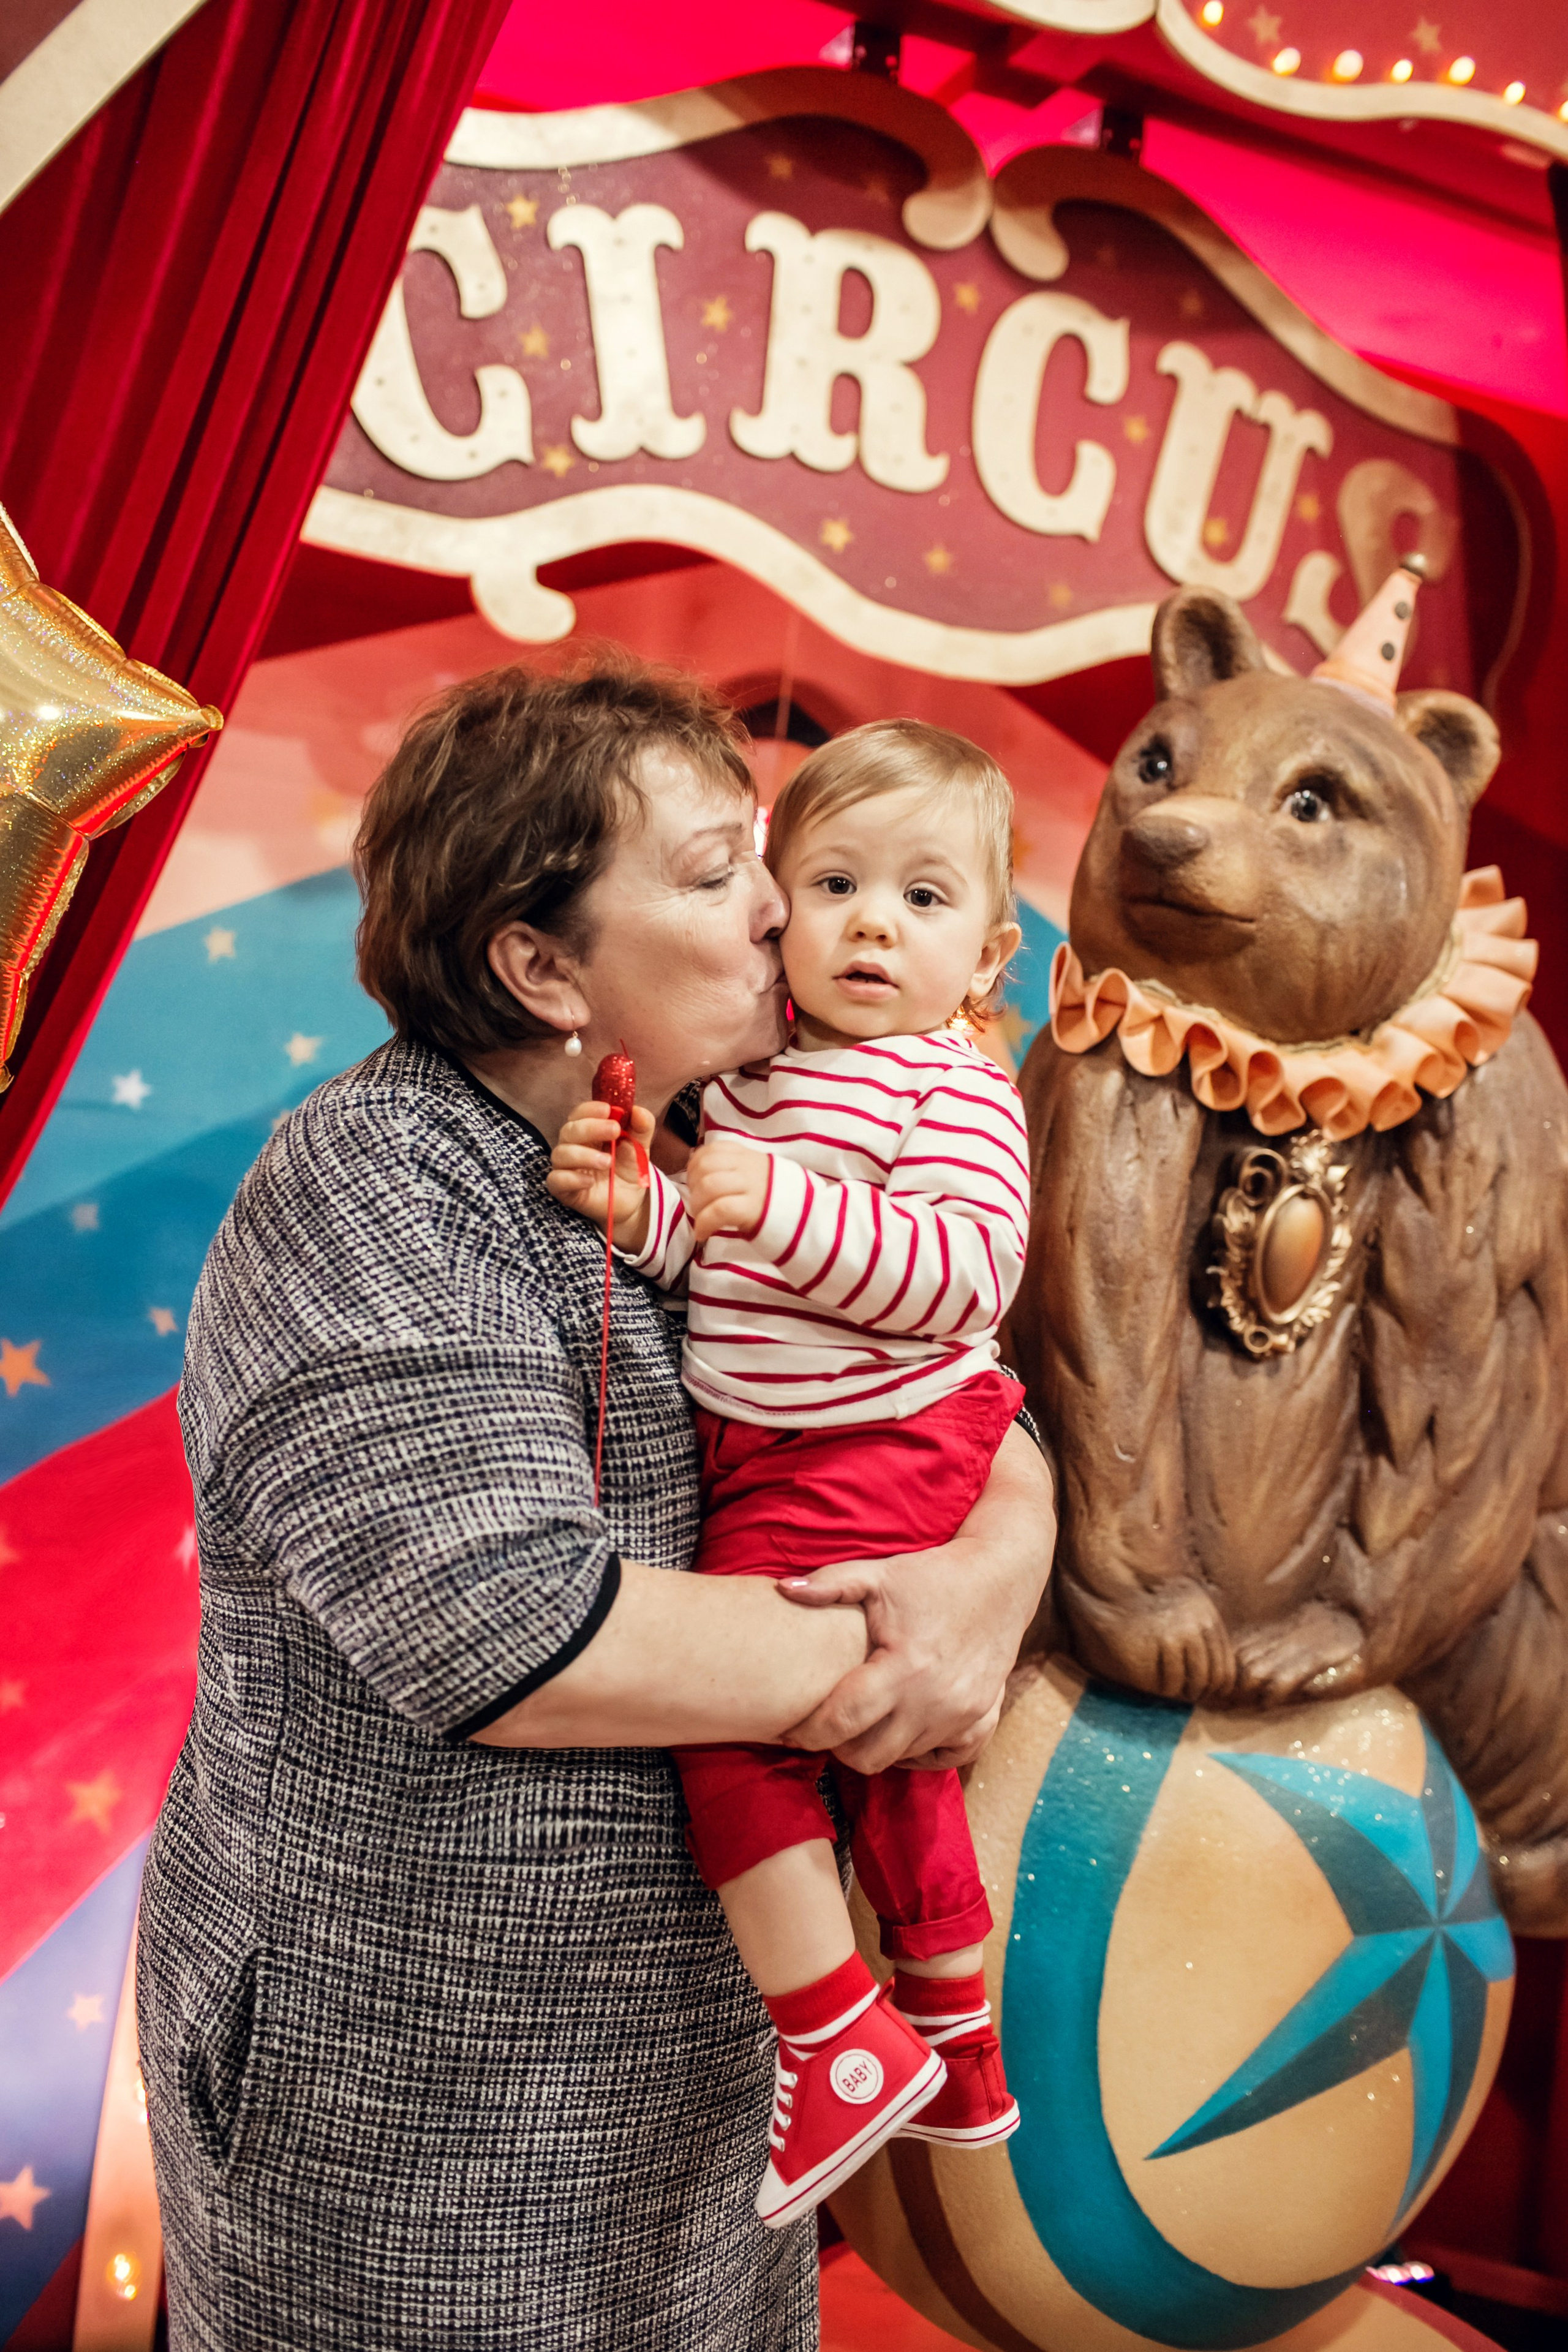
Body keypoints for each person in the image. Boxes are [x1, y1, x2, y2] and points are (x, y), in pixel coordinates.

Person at [136, 657, 1055, 2352]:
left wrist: (1000, 1570)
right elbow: (521, 1637)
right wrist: (910, 1641)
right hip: (425, 2137)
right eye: (719, 874)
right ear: (541, 964)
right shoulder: (379, 1181)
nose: (788, 910)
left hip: (712, 2110)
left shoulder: (718, 1133)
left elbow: (953, 1387)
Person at [551, 721, 1030, 2230]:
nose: (871, 923)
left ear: (991, 953)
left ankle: (833, 2028)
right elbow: (732, 1275)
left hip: (875, 1434)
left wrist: (788, 1207)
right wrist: (649, 1214)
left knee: (741, 1738)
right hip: (779, 1433)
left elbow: (960, 1275)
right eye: (831, 882)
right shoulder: (755, 1087)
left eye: (923, 898)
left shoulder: (942, 1090)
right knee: (883, 1745)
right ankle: (951, 2029)